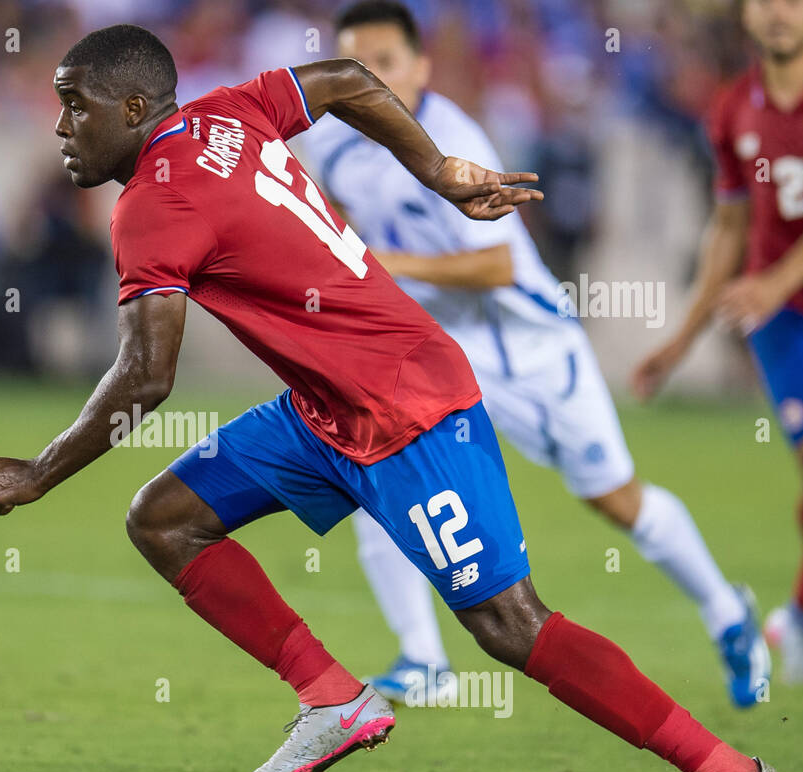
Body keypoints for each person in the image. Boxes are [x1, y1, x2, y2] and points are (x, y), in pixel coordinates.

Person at [0, 24, 784, 772]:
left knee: (509, 625)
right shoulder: (223, 113)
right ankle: (331, 697)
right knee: (164, 517)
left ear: (135, 108)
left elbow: (145, 376)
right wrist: (437, 174)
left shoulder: (151, 207)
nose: (62, 126)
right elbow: (347, 79)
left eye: (76, 107)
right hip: (324, 411)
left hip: (405, 410)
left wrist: (40, 471)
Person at [296, 0, 767, 709]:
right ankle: (424, 659)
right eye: (355, 66)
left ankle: (727, 611)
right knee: (372, 468)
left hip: (529, 351)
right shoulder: (335, 143)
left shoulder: (453, 139)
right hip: (440, 351)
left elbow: (497, 268)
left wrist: (381, 262)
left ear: (422, 66)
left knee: (616, 499)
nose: (371, 79)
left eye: (385, 63)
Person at [633, 0, 803, 687]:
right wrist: (680, 340)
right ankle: (801, 622)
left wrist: (770, 281)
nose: (779, 13)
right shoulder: (734, 111)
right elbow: (730, 233)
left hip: (777, 296)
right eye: (765, 0)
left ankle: (799, 617)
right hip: (789, 324)